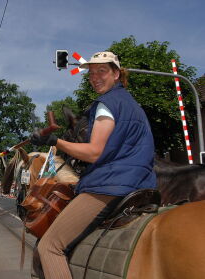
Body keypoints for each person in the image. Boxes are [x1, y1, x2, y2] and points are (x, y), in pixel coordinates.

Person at [30, 51, 156, 279]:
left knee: (48, 246)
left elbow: (94, 153)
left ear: (116, 74)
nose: (95, 77)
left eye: (102, 71)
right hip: (142, 184)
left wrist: (55, 141)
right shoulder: (133, 106)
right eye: (91, 73)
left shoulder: (106, 104)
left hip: (109, 187)